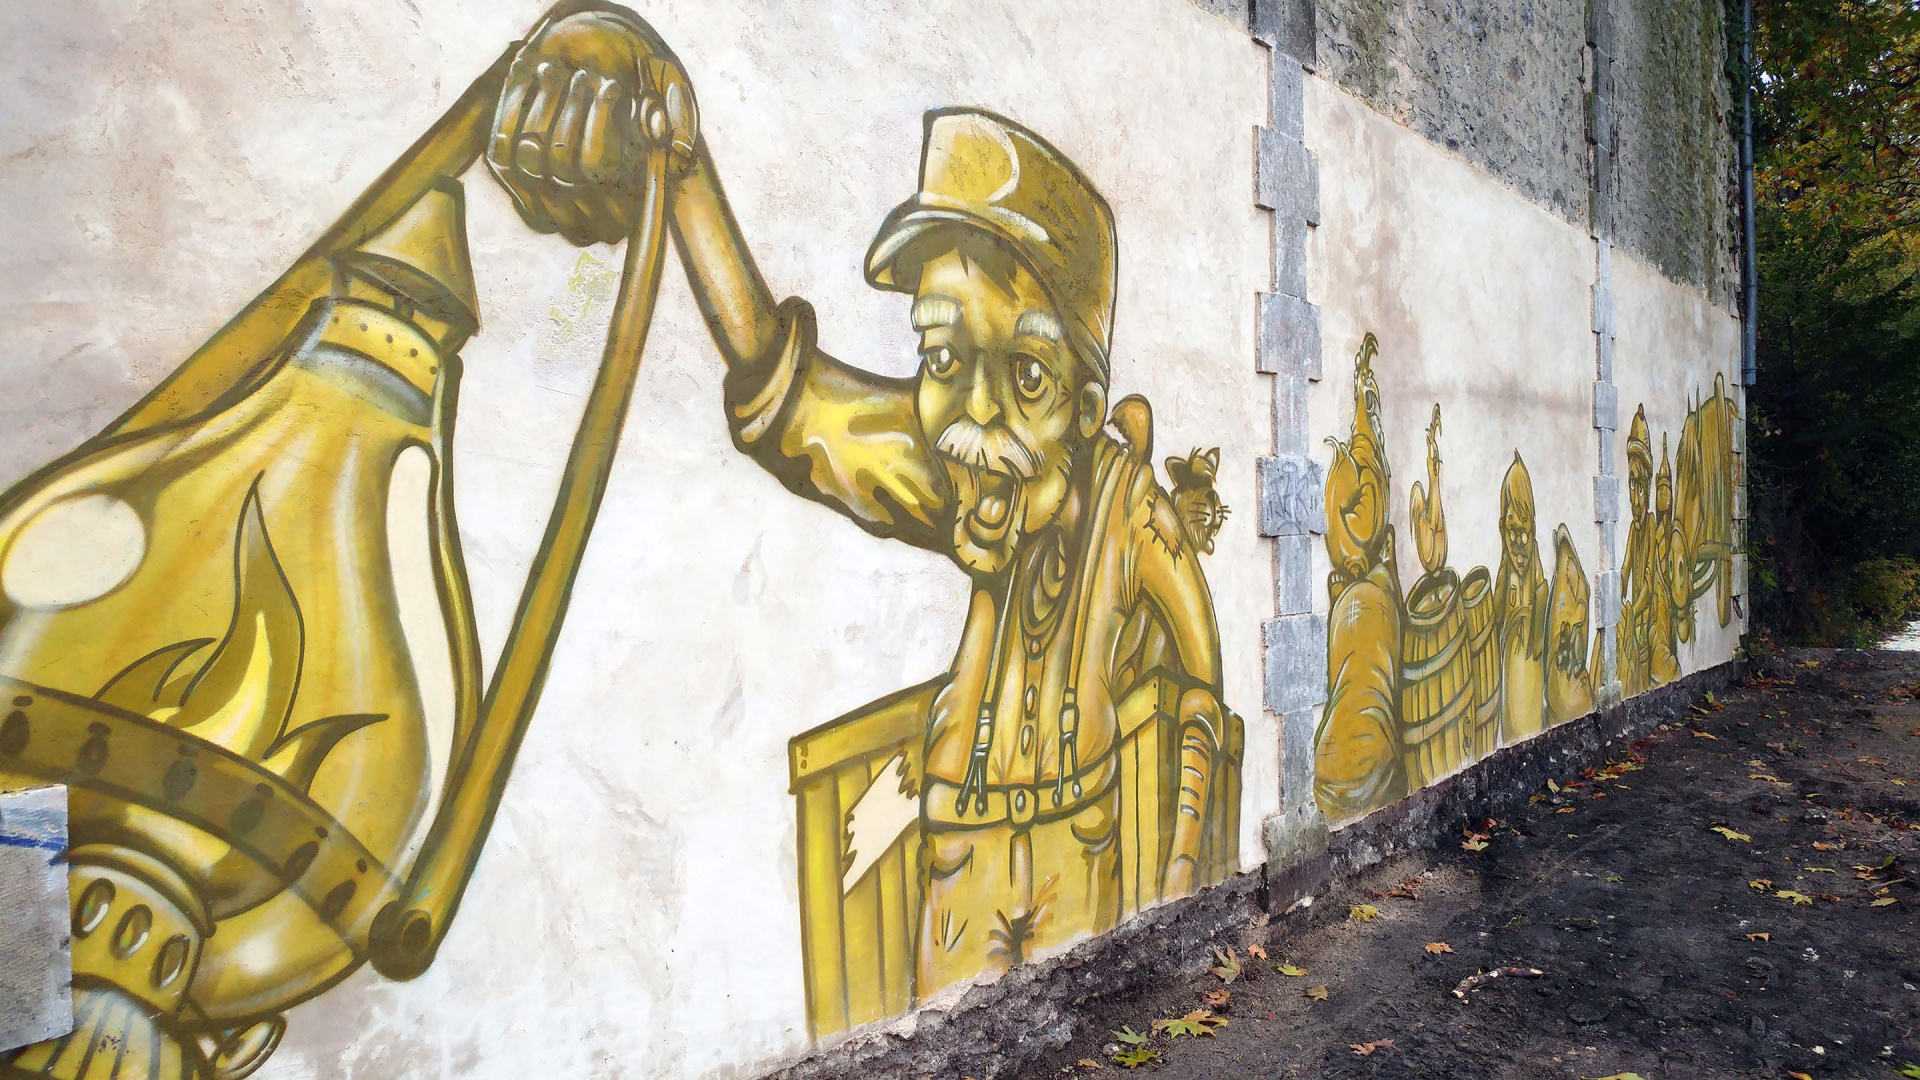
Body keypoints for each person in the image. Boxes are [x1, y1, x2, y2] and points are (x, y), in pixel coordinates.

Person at [484, 2, 1232, 998]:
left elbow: (1202, 691)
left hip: (1081, 849)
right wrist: (685, 168)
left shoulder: (1129, 514)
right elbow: (793, 398)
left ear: (1088, 405)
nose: (976, 415)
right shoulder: (955, 471)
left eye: (1029, 375)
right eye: (942, 357)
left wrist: (1181, 881)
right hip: (958, 854)